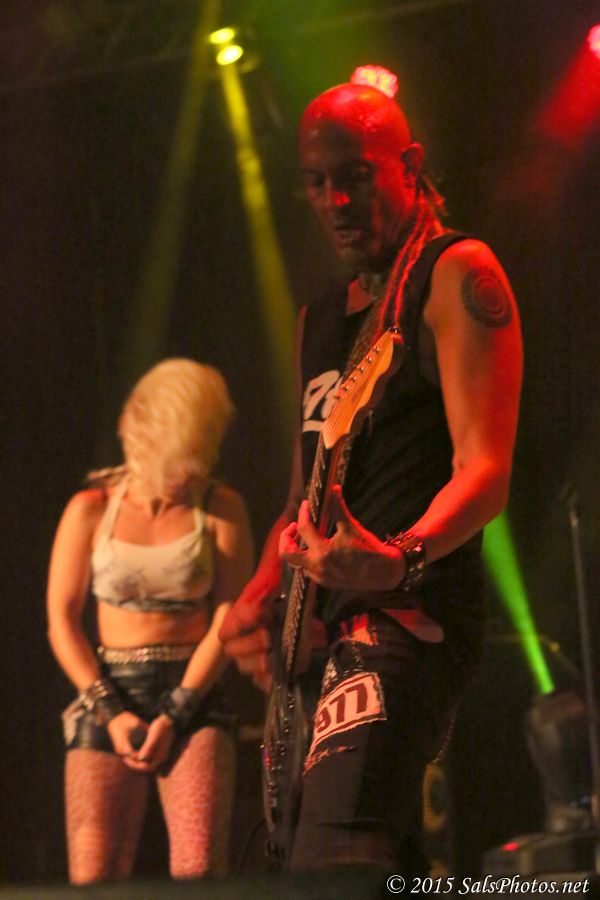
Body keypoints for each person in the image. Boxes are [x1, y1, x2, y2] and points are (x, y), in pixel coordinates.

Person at [219, 70, 523, 874]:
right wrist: (258, 600)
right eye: (317, 183)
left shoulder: (457, 273)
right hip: (317, 634)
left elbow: (485, 470)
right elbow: (300, 497)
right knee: (344, 865)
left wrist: (395, 559)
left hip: (407, 615)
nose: (336, 203)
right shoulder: (319, 319)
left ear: (409, 166)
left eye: (355, 176)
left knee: (335, 859)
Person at [47, 358, 253, 884]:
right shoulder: (92, 508)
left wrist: (177, 709)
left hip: (194, 694)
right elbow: (61, 621)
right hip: (107, 691)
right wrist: (110, 710)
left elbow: (229, 615)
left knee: (198, 870)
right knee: (94, 875)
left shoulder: (220, 506)